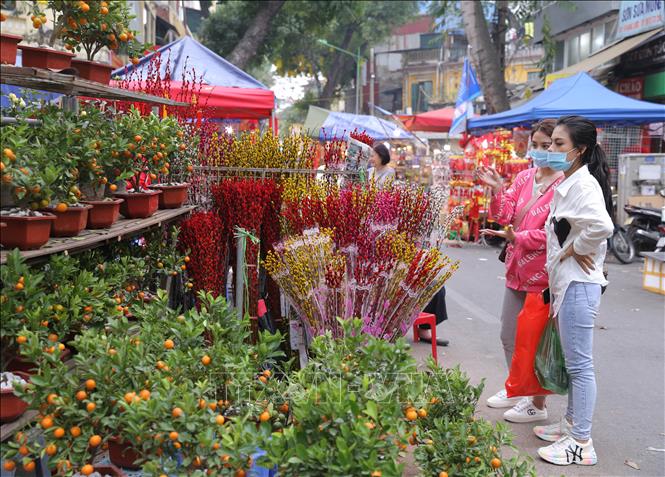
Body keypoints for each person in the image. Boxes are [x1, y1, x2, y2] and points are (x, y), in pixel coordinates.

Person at [534, 115, 613, 466]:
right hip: (569, 283)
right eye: (551, 144)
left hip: (579, 284)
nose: (551, 150)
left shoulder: (583, 186)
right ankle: (570, 425)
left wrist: (576, 248)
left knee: (580, 366)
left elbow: (602, 226)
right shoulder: (570, 181)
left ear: (579, 151)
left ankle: (581, 442)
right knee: (574, 362)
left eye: (558, 144)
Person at [478, 119, 564, 423]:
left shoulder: (566, 185)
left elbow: (556, 235)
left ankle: (534, 402)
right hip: (516, 269)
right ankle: (515, 387)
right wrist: (499, 189)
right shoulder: (525, 177)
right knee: (508, 335)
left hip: (542, 276)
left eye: (548, 145)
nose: (541, 152)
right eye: (537, 145)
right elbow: (503, 215)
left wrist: (521, 238)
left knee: (535, 340)